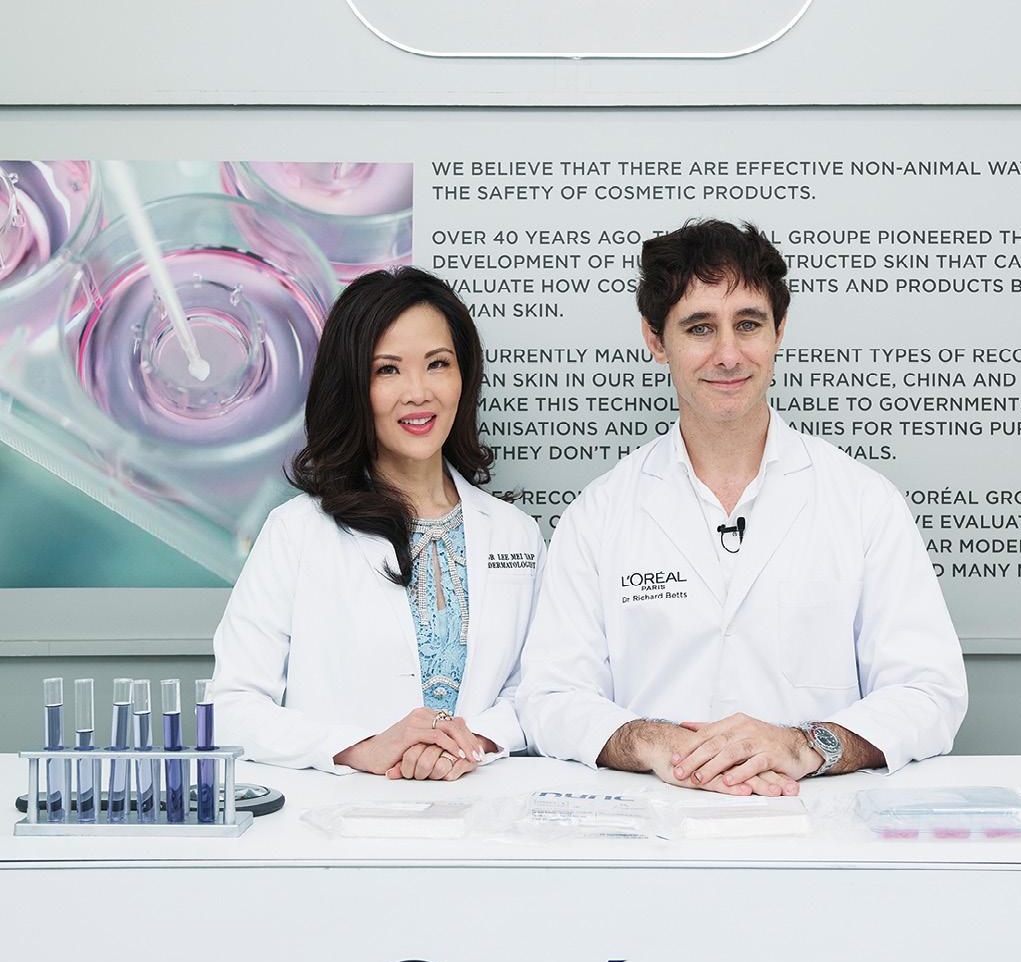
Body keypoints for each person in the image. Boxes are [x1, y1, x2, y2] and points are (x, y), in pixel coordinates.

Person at [516, 220, 967, 795]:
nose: (728, 355)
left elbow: (929, 692)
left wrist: (806, 745)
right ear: (656, 340)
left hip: (818, 821)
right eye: (700, 328)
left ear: (779, 330)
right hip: (655, 821)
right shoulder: (600, 513)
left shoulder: (863, 501)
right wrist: (654, 741)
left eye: (748, 324)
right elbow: (551, 697)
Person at [213, 267, 543, 780]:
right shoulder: (296, 532)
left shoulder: (514, 533)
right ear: (352, 385)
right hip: (341, 816)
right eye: (387, 370)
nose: (418, 392)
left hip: (480, 808)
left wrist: (469, 742)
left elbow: (540, 691)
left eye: (438, 364)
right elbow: (231, 708)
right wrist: (359, 748)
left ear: (464, 376)